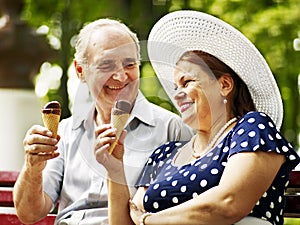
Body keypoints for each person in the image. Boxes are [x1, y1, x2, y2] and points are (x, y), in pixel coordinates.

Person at [96, 10, 300, 225]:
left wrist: (149, 220)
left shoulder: (252, 128)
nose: (177, 93)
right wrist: (115, 167)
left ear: (224, 85)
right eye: (175, 87)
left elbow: (227, 204)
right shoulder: (163, 154)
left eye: (187, 82)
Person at [13, 18, 194, 225]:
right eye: (106, 65)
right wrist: (32, 168)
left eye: (129, 64)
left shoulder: (172, 130)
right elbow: (29, 214)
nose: (120, 76)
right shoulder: (66, 132)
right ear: (81, 71)